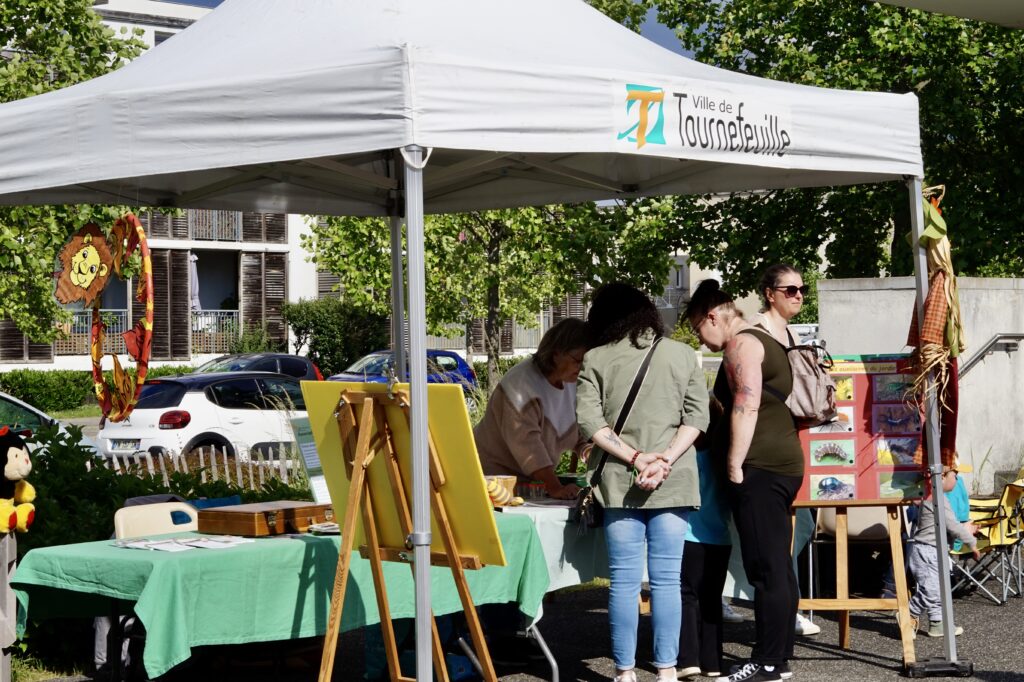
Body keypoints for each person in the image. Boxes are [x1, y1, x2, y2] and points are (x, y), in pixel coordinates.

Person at [576, 282, 709, 682]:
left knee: (623, 579)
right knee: (667, 578)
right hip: (674, 478)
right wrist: (664, 459)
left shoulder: (595, 358)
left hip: (619, 481)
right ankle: (667, 670)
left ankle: (624, 671)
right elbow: (697, 418)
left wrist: (635, 457)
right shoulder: (683, 355)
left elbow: (590, 423)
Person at [686, 279, 802, 682]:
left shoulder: (741, 343)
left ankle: (768, 662)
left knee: (765, 569)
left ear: (712, 317)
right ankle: (779, 656)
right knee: (778, 566)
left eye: (699, 329)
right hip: (781, 464)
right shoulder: (771, 338)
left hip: (759, 468)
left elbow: (747, 404)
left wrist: (734, 465)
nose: (702, 340)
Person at [753, 263, 820, 637]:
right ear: (769, 293)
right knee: (768, 547)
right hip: (763, 452)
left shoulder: (795, 334)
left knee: (797, 531)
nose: (798, 296)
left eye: (801, 289)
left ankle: (781, 624)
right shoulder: (754, 334)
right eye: (790, 290)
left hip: (793, 447)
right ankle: (772, 639)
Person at [474, 317, 591, 500]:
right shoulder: (520, 385)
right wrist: (555, 488)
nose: (583, 367)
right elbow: (529, 449)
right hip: (493, 483)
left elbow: (580, 433)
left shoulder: (572, 382)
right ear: (556, 353)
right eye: (578, 360)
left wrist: (588, 450)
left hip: (528, 484)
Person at [679, 399, 733, 680]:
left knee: (686, 595)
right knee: (712, 599)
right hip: (720, 537)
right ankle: (713, 662)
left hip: (688, 534)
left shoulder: (689, 457)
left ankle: (687, 658)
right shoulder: (722, 458)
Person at [906, 465, 980, 638]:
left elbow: (946, 525)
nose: (957, 479)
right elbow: (952, 526)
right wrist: (972, 542)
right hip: (927, 551)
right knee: (931, 590)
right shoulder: (936, 500)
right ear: (942, 477)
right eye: (955, 475)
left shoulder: (935, 498)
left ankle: (937, 623)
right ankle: (908, 613)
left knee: (939, 589)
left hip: (935, 550)